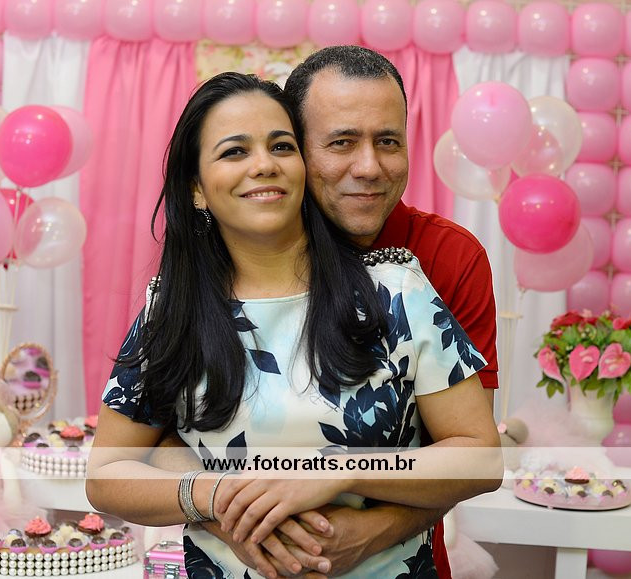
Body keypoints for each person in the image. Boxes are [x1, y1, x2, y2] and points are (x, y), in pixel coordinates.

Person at [86, 71, 501, 578]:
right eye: (234, 152)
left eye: (281, 146)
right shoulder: (171, 311)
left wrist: (333, 471)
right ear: (196, 189)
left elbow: (481, 458)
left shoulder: (397, 292)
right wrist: (217, 498)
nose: (264, 164)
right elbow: (106, 474)